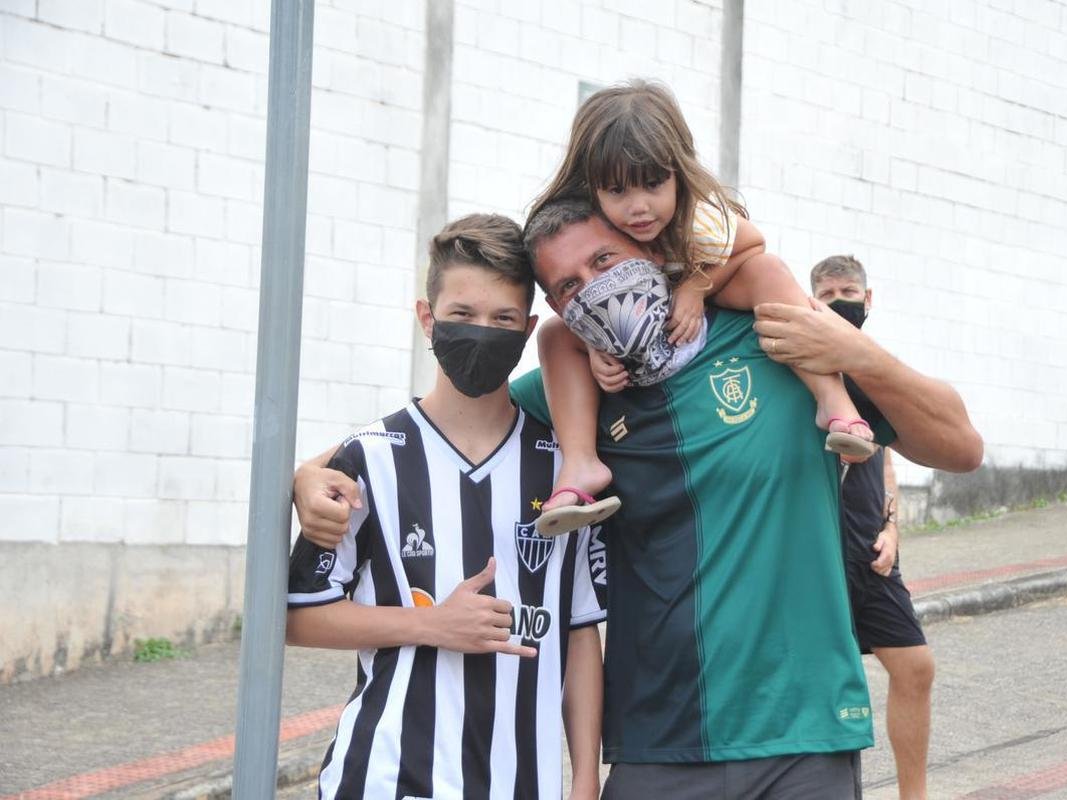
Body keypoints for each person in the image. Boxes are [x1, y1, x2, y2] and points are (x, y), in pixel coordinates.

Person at [294, 197, 982, 798]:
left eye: (605, 261)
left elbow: (960, 448)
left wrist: (860, 354)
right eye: (568, 287)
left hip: (801, 737)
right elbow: (454, 429)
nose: (595, 290)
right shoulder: (581, 394)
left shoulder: (783, 340)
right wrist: (305, 476)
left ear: (651, 247)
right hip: (657, 745)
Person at [285, 214, 607, 800]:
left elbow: (580, 631)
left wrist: (584, 777)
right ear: (427, 319)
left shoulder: (565, 466)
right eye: (462, 315)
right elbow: (296, 615)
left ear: (527, 328)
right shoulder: (368, 458)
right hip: (388, 779)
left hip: (524, 784)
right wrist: (429, 625)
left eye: (503, 319)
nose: (482, 332)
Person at [529, 80, 876, 537]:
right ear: (593, 188)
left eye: (654, 184)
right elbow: (583, 301)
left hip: (708, 282)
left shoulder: (700, 214)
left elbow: (751, 240)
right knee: (555, 336)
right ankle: (580, 464)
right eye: (617, 191)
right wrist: (596, 343)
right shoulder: (593, 224)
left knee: (768, 270)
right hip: (644, 315)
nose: (639, 208)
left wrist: (694, 287)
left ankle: (833, 400)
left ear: (677, 171)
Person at [813, 254, 935, 800]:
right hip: (813, 555)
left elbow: (887, 458)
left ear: (868, 299)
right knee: (829, 688)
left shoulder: (876, 371)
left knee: (915, 667)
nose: (839, 299)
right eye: (826, 291)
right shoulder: (804, 370)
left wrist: (892, 528)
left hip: (870, 551)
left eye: (848, 290)